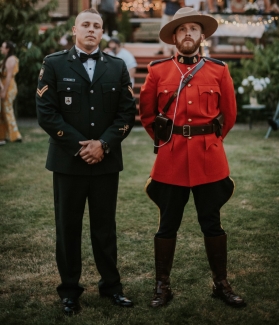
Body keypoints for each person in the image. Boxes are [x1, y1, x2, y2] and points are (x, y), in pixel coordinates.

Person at [140, 7, 246, 308]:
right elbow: (147, 116)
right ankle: (162, 286)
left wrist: (211, 142)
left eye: (194, 29)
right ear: (174, 36)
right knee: (167, 224)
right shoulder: (157, 71)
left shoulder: (219, 70)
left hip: (208, 159)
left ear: (202, 36)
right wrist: (168, 141)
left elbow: (229, 115)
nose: (188, 33)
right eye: (182, 29)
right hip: (170, 160)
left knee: (212, 223)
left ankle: (221, 283)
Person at [36, 8, 136, 316]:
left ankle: (111, 287)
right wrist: (80, 147)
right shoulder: (53, 64)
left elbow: (126, 113)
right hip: (69, 162)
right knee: (68, 228)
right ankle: (69, 291)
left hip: (105, 161)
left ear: (102, 32)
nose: (92, 30)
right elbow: (46, 112)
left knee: (105, 228)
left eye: (97, 26)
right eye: (86, 25)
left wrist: (103, 144)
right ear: (75, 29)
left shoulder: (117, 67)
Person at [0, 41, 22, 146]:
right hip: (4, 85)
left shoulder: (11, 59)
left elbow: (8, 76)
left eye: (3, 47)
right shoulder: (5, 59)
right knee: (4, 111)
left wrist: (4, 91)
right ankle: (6, 135)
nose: (1, 48)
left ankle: (15, 135)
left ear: (8, 49)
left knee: (7, 110)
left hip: (9, 86)